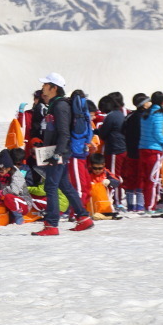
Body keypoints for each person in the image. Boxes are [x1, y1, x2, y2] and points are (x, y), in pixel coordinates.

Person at [32, 73, 93, 236]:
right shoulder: (55, 104)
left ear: (54, 88)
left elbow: (64, 133)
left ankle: (51, 225)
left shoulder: (60, 106)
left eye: (46, 84)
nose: (43, 87)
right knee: (64, 185)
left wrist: (56, 154)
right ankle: (83, 217)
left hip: (58, 152)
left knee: (50, 187)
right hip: (56, 151)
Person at [137, 91, 163, 213]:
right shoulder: (158, 114)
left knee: (146, 178)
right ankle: (151, 206)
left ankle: (148, 205)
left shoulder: (146, 113)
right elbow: (157, 133)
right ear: (162, 102)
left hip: (142, 148)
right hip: (153, 150)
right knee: (153, 179)